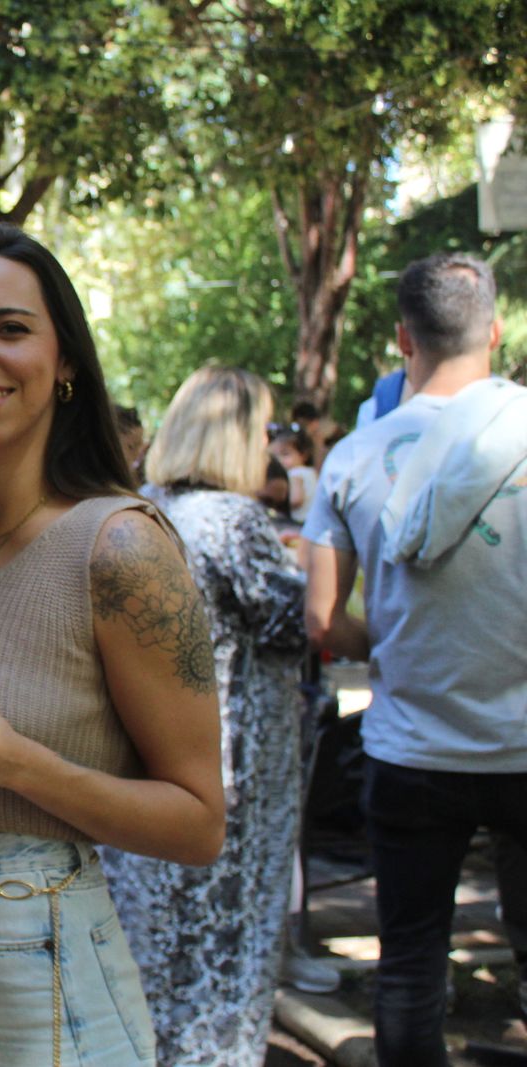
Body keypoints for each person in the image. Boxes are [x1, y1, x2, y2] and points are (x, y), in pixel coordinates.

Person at [0, 223, 224, 1066]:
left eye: (11, 328)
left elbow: (200, 823)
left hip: (38, 973)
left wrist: (16, 762)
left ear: (65, 363)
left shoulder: (121, 547)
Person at [303, 251, 527, 1066]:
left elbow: (322, 620)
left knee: (410, 961)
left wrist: (392, 643)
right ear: (494, 334)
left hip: (411, 748)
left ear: (404, 338)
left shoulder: (353, 457)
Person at [100, 366, 307, 1065]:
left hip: (145, 763)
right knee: (223, 958)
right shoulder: (235, 522)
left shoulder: (140, 507)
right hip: (232, 772)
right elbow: (298, 624)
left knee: (146, 945)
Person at [270, 429, 318, 524]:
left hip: (299, 521)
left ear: (303, 455)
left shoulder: (295, 474)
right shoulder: (311, 472)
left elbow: (296, 500)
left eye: (285, 454)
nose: (279, 460)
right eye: (275, 456)